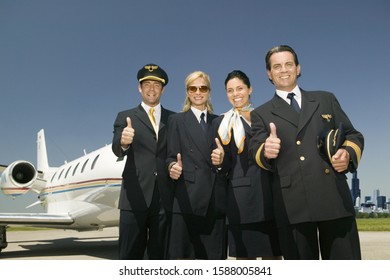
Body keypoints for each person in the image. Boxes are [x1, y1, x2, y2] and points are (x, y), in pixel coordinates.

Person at [249, 45, 364, 260]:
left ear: (298, 68)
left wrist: (347, 154)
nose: (283, 70)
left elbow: (353, 135)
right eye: (277, 66)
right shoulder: (261, 114)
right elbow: (255, 152)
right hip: (293, 205)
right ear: (269, 74)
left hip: (333, 198)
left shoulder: (325, 99)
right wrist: (267, 150)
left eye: (288, 64)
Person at [214, 70, 282, 260]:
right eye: (230, 90)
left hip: (269, 195)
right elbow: (224, 165)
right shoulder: (221, 123)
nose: (235, 94)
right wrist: (219, 161)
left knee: (273, 257)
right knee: (244, 261)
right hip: (241, 199)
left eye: (240, 88)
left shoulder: (265, 116)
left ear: (250, 89)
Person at [112, 63, 175, 259]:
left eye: (156, 85)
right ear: (139, 88)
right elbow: (117, 148)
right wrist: (123, 142)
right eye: (146, 84)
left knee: (159, 256)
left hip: (164, 198)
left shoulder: (174, 119)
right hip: (134, 196)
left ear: (163, 89)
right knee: (129, 255)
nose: (151, 89)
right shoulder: (126, 116)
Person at [166, 71, 227, 259]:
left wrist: (221, 161)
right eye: (193, 88)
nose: (198, 92)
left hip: (214, 201)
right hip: (186, 198)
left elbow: (227, 161)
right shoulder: (176, 120)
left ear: (209, 91)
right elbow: (169, 157)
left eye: (203, 88)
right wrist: (171, 168)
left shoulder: (220, 121)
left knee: (213, 259)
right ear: (187, 92)